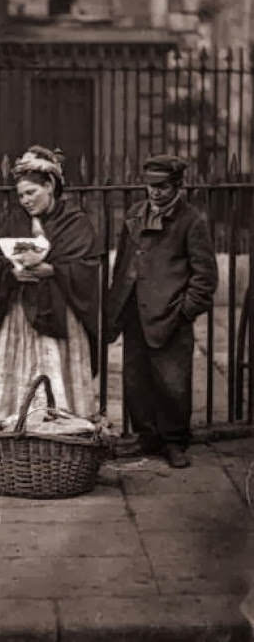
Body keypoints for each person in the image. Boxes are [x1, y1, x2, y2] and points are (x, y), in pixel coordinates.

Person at [108, 154, 218, 468]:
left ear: (178, 186)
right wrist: (117, 305)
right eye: (150, 186)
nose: (155, 192)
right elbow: (123, 265)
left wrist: (184, 311)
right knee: (136, 379)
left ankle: (174, 442)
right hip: (135, 313)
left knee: (172, 381)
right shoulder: (135, 214)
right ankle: (146, 437)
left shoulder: (191, 221)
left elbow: (205, 276)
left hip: (170, 315)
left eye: (162, 186)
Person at [0, 145, 100, 421]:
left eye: (31, 192)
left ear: (50, 185)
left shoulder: (76, 222)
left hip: (59, 315)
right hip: (19, 316)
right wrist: (11, 275)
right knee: (20, 375)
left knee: (54, 373)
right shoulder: (14, 221)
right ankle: (17, 424)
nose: (25, 200)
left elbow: (86, 266)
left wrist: (54, 270)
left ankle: (61, 426)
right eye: (21, 195)